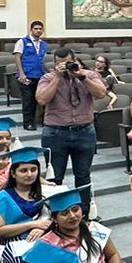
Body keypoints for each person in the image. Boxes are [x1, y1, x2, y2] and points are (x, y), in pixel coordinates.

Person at [36, 47, 106, 215]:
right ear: (54, 64)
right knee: (55, 176)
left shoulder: (89, 75)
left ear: (75, 61)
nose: (64, 66)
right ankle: (56, 214)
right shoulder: (47, 78)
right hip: (55, 133)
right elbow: (42, 99)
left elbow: (101, 93)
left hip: (84, 132)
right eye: (59, 63)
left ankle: (85, 213)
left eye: (67, 63)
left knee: (83, 175)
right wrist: (57, 77)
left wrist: (81, 77)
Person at [14, 21, 48, 132]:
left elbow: (41, 60)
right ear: (31, 30)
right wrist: (21, 73)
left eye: (40, 29)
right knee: (28, 100)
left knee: (39, 99)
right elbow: (17, 57)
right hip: (26, 76)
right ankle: (28, 123)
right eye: (36, 28)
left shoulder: (43, 44)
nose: (38, 31)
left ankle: (41, 120)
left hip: (39, 75)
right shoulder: (22, 41)